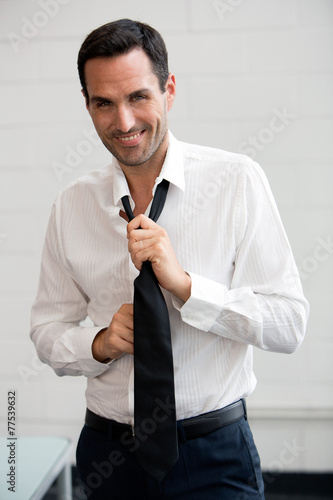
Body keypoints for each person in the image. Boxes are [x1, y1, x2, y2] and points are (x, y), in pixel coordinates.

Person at [30, 19, 309, 500]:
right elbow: (46, 331)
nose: (124, 122)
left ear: (169, 90)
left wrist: (186, 288)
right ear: (87, 104)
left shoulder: (237, 182)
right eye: (104, 103)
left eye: (138, 96)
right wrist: (99, 343)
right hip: (107, 455)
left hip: (214, 457)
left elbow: (289, 324)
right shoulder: (70, 206)